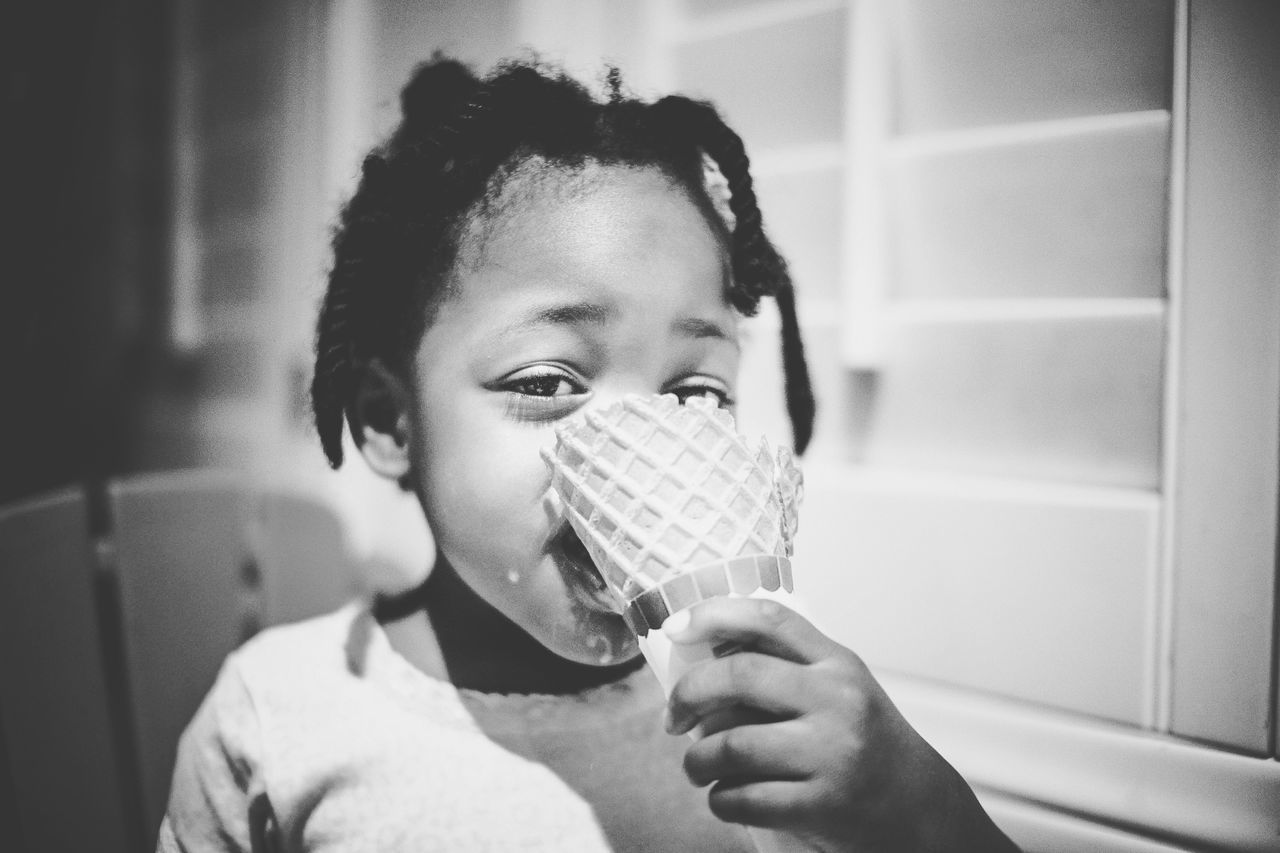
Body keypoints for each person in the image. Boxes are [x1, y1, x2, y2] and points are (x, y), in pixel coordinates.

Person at [158, 55, 1019, 852]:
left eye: (694, 393)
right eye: (546, 381)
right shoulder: (278, 718)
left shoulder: (772, 722)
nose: (642, 449)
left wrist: (921, 811)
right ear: (392, 423)